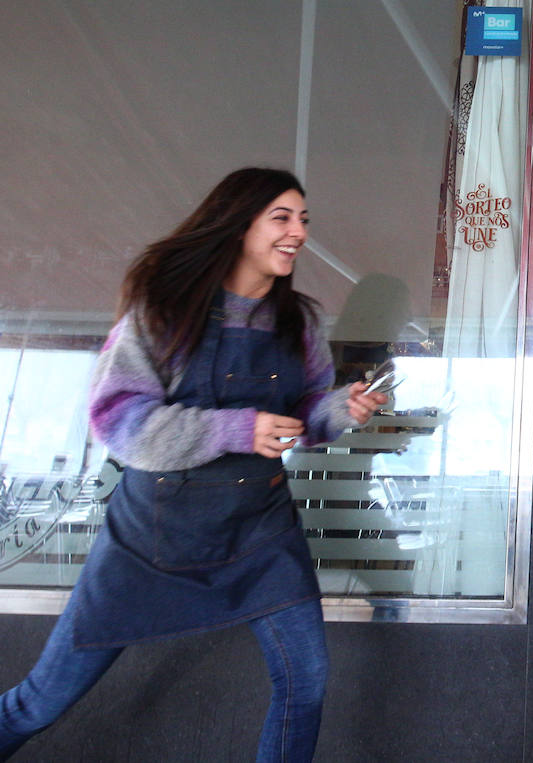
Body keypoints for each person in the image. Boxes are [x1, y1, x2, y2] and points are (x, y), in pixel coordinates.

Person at [0, 168, 387, 762]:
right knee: (40, 701)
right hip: (153, 535)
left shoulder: (300, 320)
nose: (299, 233)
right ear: (238, 227)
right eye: (281, 218)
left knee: (304, 684)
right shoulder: (163, 310)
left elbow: (303, 415)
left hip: (260, 532)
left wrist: (343, 408)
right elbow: (118, 423)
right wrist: (238, 428)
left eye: (303, 220)